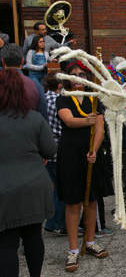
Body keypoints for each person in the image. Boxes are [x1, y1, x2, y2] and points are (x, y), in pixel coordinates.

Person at [0, 69, 57, 277]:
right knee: (33, 235)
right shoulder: (34, 118)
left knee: (6, 244)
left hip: (4, 188)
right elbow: (51, 149)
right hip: (35, 183)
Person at [56, 60, 112, 272]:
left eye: (82, 73)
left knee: (92, 200)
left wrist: (94, 151)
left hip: (90, 155)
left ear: (87, 77)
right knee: (73, 203)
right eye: (74, 73)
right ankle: (72, 251)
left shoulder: (94, 98)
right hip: (70, 153)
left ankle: (90, 244)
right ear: (68, 78)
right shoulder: (63, 98)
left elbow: (99, 129)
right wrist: (87, 121)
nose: (78, 76)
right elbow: (69, 121)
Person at [43, 70, 67, 235]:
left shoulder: (43, 99)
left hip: (46, 151)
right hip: (59, 150)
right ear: (59, 85)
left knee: (56, 188)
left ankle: (54, 221)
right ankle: (54, 223)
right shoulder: (59, 101)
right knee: (61, 189)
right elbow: (61, 128)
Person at [1, 44, 48, 121]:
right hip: (30, 130)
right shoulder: (35, 85)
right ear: (22, 61)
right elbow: (43, 118)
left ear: (2, 62)